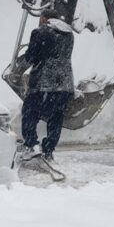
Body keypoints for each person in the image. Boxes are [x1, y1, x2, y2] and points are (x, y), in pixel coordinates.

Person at [21, 9, 75, 161]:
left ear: (44, 18)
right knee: (56, 118)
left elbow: (31, 57)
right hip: (64, 83)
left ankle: (32, 145)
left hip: (43, 83)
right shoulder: (69, 34)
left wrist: (28, 53)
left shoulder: (40, 32)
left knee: (29, 112)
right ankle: (48, 150)